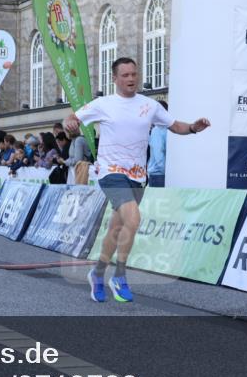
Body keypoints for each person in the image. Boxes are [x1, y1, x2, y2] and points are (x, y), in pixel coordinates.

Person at [65, 57, 210, 303]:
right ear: (115, 79)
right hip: (111, 172)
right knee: (133, 217)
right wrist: (71, 123)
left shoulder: (149, 105)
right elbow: (73, 118)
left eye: (134, 74)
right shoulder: (104, 104)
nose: (131, 79)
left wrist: (194, 128)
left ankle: (97, 272)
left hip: (137, 175)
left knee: (118, 227)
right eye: (125, 75)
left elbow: (175, 126)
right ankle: (119, 276)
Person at [147, 100, 169, 187]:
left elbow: (158, 154)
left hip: (158, 175)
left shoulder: (157, 130)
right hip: (162, 174)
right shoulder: (168, 129)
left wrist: (166, 172)